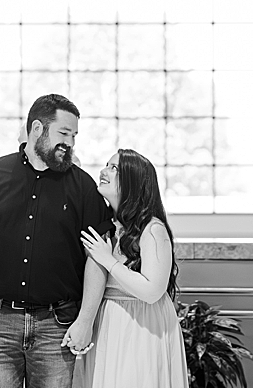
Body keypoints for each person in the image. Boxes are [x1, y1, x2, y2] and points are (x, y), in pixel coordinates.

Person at [0, 94, 113, 388]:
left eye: (74, 135)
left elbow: (97, 256)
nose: (71, 143)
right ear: (37, 129)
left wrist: (86, 320)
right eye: (64, 133)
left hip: (56, 327)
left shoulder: (83, 186)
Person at [74, 149, 188, 388]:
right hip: (108, 322)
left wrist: (110, 261)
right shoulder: (106, 225)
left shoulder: (152, 229)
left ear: (134, 182)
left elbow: (152, 291)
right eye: (106, 165)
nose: (103, 171)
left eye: (114, 168)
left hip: (141, 324)